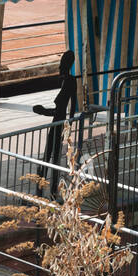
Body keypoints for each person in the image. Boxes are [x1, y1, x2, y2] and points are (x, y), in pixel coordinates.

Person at [33, 49, 78, 193]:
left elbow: (59, 111)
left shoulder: (68, 82)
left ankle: (43, 187)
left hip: (58, 123)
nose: (59, 68)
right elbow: (71, 108)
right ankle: (50, 188)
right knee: (54, 156)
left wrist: (42, 111)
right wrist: (69, 122)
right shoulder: (69, 81)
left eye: (61, 65)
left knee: (49, 155)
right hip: (60, 122)